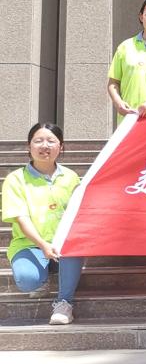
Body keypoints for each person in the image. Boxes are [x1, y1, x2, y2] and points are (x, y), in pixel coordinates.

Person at [1, 123, 85, 325]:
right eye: (38, 141)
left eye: (51, 141)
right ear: (28, 146)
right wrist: (43, 245)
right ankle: (42, 275)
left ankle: (64, 303)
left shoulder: (71, 177)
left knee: (74, 249)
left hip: (63, 244)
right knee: (27, 280)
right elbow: (21, 218)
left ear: (61, 147)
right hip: (29, 244)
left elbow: (78, 212)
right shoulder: (15, 179)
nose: (44, 146)